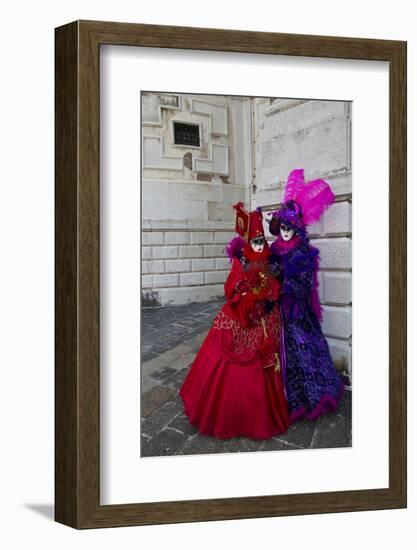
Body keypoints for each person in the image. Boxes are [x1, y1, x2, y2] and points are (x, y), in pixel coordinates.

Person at [179, 202, 290, 440]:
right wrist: (245, 295)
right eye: (256, 242)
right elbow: (231, 287)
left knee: (267, 359)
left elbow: (274, 286)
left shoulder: (271, 264)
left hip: (265, 319)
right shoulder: (241, 263)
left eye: (262, 242)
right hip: (241, 317)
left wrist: (269, 297)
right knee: (228, 353)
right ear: (249, 244)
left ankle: (262, 412)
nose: (260, 246)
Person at [268, 168, 344, 422]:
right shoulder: (275, 248)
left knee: (302, 351)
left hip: (296, 313)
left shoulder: (303, 253)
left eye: (290, 228)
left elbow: (304, 285)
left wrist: (285, 281)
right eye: (283, 227)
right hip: (275, 312)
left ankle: (306, 398)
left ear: (297, 228)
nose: (286, 232)